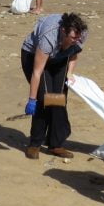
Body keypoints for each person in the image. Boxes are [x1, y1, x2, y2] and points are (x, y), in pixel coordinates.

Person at [21, 12, 88, 160]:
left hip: (60, 57)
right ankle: (35, 144)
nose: (76, 40)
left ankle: (56, 144)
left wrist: (70, 73)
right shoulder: (48, 37)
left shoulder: (80, 34)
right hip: (34, 56)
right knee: (45, 99)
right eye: (72, 38)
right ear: (63, 31)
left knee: (58, 99)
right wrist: (32, 99)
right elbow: (37, 72)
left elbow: (74, 53)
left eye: (78, 38)